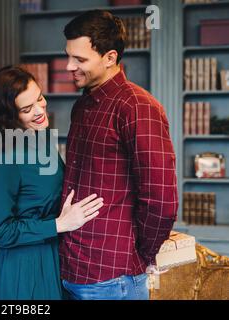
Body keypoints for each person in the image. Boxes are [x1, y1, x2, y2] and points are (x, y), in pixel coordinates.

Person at [59, 10, 179, 300]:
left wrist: (141, 256)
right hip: (72, 268)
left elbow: (161, 200)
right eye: (69, 56)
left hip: (114, 277)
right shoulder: (83, 104)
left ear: (110, 57)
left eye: (80, 59)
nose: (68, 66)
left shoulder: (137, 106)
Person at [0, 66, 104, 300]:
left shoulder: (42, 137)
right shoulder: (4, 157)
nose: (39, 111)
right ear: (9, 115)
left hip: (54, 258)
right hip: (22, 269)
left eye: (39, 98)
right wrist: (58, 224)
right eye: (27, 109)